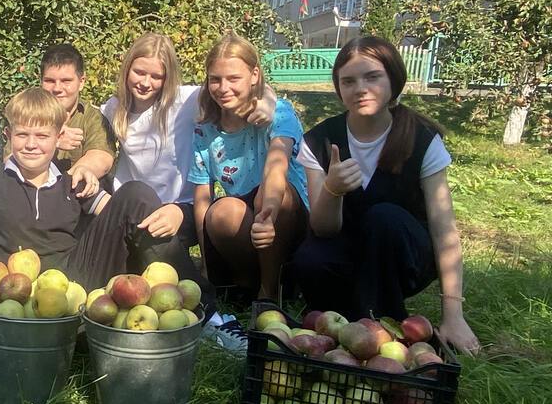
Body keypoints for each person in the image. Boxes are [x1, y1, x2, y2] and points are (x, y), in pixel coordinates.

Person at [292, 36, 480, 354]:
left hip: (405, 255)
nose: (361, 88)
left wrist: (454, 315)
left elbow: (443, 228)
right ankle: (336, 327)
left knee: (384, 217)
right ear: (338, 88)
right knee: (310, 258)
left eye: (372, 77)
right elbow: (323, 229)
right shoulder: (321, 141)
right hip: (349, 250)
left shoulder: (421, 140)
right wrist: (332, 189)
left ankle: (382, 325)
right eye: (348, 81)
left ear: (393, 78)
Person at [0, 88, 208, 296]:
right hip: (16, 289)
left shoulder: (72, 183)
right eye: (23, 135)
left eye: (42, 136)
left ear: (59, 138)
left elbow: (121, 215)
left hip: (78, 281)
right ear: (9, 135)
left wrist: (173, 211)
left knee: (137, 194)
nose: (32, 145)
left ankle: (203, 310)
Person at [102, 32, 277, 249]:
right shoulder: (114, 108)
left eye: (156, 76)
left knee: (152, 246)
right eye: (139, 72)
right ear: (127, 69)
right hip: (131, 204)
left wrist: (266, 103)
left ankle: (197, 279)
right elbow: (82, 120)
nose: (146, 83)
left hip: (181, 207)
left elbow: (253, 86)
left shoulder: (184, 101)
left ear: (168, 78)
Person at [189, 32, 309, 304]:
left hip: (287, 213)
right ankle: (246, 283)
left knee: (269, 190)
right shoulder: (205, 129)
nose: (223, 88)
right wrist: (206, 263)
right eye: (215, 79)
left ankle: (270, 292)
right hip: (247, 217)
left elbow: (276, 168)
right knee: (222, 212)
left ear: (254, 75)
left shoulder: (278, 113)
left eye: (233, 79)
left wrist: (267, 214)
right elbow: (201, 197)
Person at [37, 43, 116, 196]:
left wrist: (61, 188)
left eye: (66, 81)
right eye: (50, 81)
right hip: (34, 198)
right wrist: (53, 141)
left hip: (77, 197)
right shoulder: (28, 114)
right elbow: (11, 159)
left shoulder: (92, 117)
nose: (57, 89)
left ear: (81, 82)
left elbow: (102, 158)